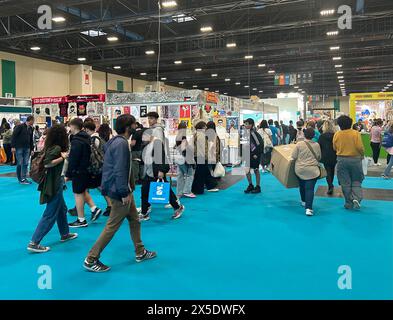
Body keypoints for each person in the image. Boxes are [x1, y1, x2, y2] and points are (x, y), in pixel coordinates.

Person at [84, 115, 156, 272]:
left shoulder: (116, 142)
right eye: (133, 124)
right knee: (111, 226)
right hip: (120, 191)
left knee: (135, 220)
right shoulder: (121, 144)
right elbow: (119, 170)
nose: (136, 126)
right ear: (127, 127)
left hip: (121, 189)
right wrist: (124, 191)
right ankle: (91, 258)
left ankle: (140, 251)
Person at [27, 124, 78, 253]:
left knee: (62, 209)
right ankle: (34, 242)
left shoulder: (51, 146)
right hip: (53, 184)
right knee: (50, 213)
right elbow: (48, 163)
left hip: (56, 182)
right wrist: (63, 157)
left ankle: (65, 233)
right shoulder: (56, 148)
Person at [139, 112, 185, 221]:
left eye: (151, 118)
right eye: (148, 118)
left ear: (156, 119)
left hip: (156, 165)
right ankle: (145, 211)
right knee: (150, 188)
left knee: (160, 188)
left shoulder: (157, 130)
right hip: (152, 165)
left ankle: (177, 207)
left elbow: (159, 149)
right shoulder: (154, 130)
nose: (149, 120)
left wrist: (161, 168)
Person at [65, 118, 102, 228]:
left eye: (69, 126)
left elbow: (74, 159)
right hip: (87, 170)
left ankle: (81, 219)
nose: (69, 128)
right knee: (83, 192)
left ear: (73, 126)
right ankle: (94, 208)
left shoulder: (77, 141)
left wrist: (68, 174)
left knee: (78, 194)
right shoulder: (86, 138)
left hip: (79, 171)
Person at [333, 115, 365, 210]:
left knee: (345, 182)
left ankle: (348, 202)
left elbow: (334, 148)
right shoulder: (355, 133)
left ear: (339, 125)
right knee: (356, 180)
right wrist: (362, 155)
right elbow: (360, 147)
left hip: (341, 160)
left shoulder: (337, 134)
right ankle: (357, 198)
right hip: (355, 159)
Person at [291, 128, 322, 216]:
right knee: (310, 189)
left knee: (302, 185)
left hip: (300, 170)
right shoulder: (317, 145)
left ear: (304, 134)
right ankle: (309, 208)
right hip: (313, 171)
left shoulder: (299, 144)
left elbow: (293, 156)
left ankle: (304, 201)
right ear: (313, 135)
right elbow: (319, 157)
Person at [192, 121, 219, 194]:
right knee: (200, 173)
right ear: (202, 127)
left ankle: (208, 186)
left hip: (198, 156)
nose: (206, 127)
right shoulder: (201, 135)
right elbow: (202, 147)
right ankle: (198, 189)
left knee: (202, 172)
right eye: (205, 126)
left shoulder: (197, 134)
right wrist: (205, 157)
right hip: (201, 156)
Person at [174, 122, 196, 198]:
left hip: (178, 158)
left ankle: (179, 192)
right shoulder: (183, 137)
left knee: (180, 175)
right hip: (184, 158)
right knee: (190, 174)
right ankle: (187, 191)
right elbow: (184, 149)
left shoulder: (177, 136)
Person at [11, 115, 35, 184]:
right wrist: (13, 146)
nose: (33, 122)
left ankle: (24, 178)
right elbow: (14, 136)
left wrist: (32, 149)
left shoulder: (31, 128)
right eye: (33, 120)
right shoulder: (20, 126)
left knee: (26, 163)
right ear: (30, 120)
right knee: (20, 163)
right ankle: (20, 179)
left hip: (27, 148)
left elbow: (31, 140)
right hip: (19, 148)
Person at [243, 118, 263, 194]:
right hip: (247, 155)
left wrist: (256, 154)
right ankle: (250, 185)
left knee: (256, 170)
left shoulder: (254, 133)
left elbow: (260, 144)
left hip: (254, 155)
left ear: (251, 125)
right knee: (247, 170)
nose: (245, 125)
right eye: (245, 124)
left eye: (247, 124)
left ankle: (258, 186)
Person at [318, 120, 337, 195]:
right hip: (334, 155)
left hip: (325, 156)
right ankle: (331, 184)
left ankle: (330, 185)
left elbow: (319, 146)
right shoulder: (335, 135)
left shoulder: (322, 136)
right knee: (332, 170)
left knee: (327, 171)